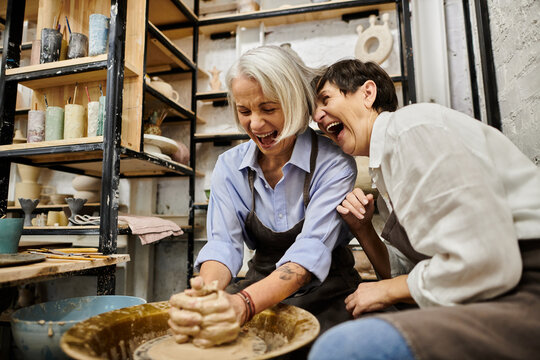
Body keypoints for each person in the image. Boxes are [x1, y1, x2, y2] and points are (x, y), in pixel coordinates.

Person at [308, 59, 540, 359]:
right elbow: (403, 269)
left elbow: (485, 260)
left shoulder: (410, 130)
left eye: (326, 99)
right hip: (489, 288)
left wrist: (387, 291)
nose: (317, 116)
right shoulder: (386, 166)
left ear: (367, 94)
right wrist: (363, 229)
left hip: (524, 286)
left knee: (341, 349)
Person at [168, 45, 361, 342]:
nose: (255, 124)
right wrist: (206, 297)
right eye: (244, 111)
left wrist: (245, 305)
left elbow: (308, 253)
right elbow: (223, 245)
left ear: (295, 102)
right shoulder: (230, 166)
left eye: (268, 109)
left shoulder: (334, 163)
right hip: (256, 286)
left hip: (326, 294)